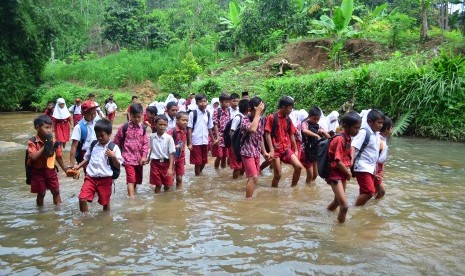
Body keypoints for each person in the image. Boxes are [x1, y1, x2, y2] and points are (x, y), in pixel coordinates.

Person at [74, 119, 123, 212]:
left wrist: (113, 157)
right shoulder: (93, 145)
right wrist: (78, 166)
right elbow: (87, 158)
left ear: (109, 134)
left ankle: (106, 220)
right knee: (82, 198)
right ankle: (85, 219)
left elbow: (118, 165)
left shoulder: (114, 148)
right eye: (97, 135)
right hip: (91, 178)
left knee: (105, 202)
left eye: (102, 135)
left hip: (105, 179)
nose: (99, 138)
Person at [326, 111, 362, 223]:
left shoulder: (348, 137)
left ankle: (325, 213)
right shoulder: (340, 139)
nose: (357, 131)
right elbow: (337, 161)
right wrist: (348, 172)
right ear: (346, 126)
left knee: (337, 201)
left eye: (359, 128)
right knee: (345, 206)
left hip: (342, 172)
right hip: (334, 173)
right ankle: (340, 230)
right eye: (356, 128)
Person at [27, 115, 67, 206]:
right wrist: (46, 145)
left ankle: (58, 210)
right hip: (37, 172)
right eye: (46, 127)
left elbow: (58, 156)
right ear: (37, 128)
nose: (49, 130)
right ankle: (40, 212)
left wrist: (65, 169)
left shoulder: (54, 141)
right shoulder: (32, 141)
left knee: (56, 191)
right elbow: (33, 157)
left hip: (50, 170)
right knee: (41, 193)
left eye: (50, 128)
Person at [264, 96, 304, 187]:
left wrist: (296, 150)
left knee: (298, 167)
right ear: (283, 108)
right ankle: (274, 193)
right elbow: (267, 134)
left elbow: (291, 134)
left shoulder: (288, 119)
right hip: (276, 150)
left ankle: (293, 188)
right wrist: (271, 150)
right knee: (278, 175)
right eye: (290, 108)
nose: (291, 110)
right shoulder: (271, 117)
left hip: (286, 149)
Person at [113, 103, 149, 198]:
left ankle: (133, 193)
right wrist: (115, 156)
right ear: (129, 115)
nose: (137, 119)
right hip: (127, 158)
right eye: (134, 117)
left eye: (139, 117)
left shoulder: (143, 129)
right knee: (131, 179)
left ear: (141, 115)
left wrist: (144, 156)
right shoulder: (124, 128)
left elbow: (145, 144)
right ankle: (132, 200)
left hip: (139, 159)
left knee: (136, 180)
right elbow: (116, 142)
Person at [352, 109, 385, 206]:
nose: (381, 125)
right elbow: (353, 146)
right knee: (369, 191)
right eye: (379, 123)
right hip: (362, 167)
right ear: (370, 121)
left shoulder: (376, 134)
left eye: (382, 123)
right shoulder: (364, 132)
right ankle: (356, 208)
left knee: (367, 191)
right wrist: (350, 162)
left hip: (371, 168)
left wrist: (377, 170)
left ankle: (361, 211)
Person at [240, 97, 270, 198]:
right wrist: (257, 114)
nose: (261, 114)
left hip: (256, 152)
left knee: (253, 178)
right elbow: (252, 129)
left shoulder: (260, 120)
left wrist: (264, 152)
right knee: (253, 177)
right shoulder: (244, 119)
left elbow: (259, 136)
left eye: (262, 112)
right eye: (259, 111)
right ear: (250, 110)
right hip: (247, 152)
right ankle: (248, 202)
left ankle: (249, 196)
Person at [187, 94, 216, 176]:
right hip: (196, 141)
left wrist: (213, 140)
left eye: (204, 101)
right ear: (197, 103)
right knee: (197, 162)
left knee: (204, 160)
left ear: (207, 102)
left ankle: (200, 175)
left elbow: (210, 127)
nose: (203, 103)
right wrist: (190, 143)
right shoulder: (193, 114)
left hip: (205, 140)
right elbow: (189, 128)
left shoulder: (208, 113)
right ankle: (197, 177)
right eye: (200, 102)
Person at [300, 107, 330, 184]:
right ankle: (307, 187)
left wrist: (323, 131)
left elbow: (329, 137)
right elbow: (305, 131)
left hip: (315, 151)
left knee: (316, 175)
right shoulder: (305, 123)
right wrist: (316, 135)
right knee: (310, 174)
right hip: (306, 151)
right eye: (314, 119)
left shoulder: (318, 125)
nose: (316, 121)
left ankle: (309, 186)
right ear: (309, 116)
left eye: (318, 119)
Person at [148, 115, 175, 193]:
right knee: (158, 184)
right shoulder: (152, 137)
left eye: (164, 125)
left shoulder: (169, 138)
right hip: (155, 163)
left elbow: (171, 153)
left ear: (167, 125)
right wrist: (147, 159)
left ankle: (165, 201)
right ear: (155, 125)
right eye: (160, 124)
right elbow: (151, 149)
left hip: (166, 163)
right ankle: (157, 202)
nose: (162, 127)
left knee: (167, 185)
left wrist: (170, 168)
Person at [69, 100, 98, 167]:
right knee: (89, 174)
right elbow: (74, 146)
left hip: (97, 153)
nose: (93, 116)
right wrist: (71, 164)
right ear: (83, 113)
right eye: (90, 114)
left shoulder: (97, 123)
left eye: (94, 113)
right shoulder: (79, 127)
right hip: (85, 155)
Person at [168, 111, 188, 189]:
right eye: (183, 120)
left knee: (179, 178)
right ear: (177, 120)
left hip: (181, 157)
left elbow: (183, 145)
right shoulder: (172, 131)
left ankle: (179, 195)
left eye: (187, 120)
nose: (185, 122)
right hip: (172, 157)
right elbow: (166, 144)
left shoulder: (184, 130)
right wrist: (173, 146)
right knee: (170, 178)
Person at [229, 99, 249, 179]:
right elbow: (231, 132)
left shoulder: (246, 117)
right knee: (237, 167)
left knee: (243, 165)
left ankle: (239, 180)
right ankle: (234, 182)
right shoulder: (238, 118)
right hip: (236, 146)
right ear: (247, 108)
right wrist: (235, 146)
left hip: (243, 146)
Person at [374, 116, 393, 200]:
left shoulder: (383, 139)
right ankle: (362, 205)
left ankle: (368, 206)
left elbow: (382, 159)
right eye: (391, 128)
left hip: (379, 167)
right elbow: (375, 158)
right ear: (387, 129)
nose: (392, 130)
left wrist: (382, 171)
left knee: (374, 190)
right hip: (375, 167)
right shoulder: (378, 140)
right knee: (381, 191)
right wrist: (376, 172)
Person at [212, 92, 231, 169]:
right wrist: (217, 137)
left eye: (228, 102)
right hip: (219, 136)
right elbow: (215, 124)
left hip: (226, 136)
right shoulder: (217, 111)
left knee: (225, 156)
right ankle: (216, 169)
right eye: (226, 102)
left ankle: (222, 172)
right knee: (219, 155)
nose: (228, 104)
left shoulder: (228, 111)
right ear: (221, 102)